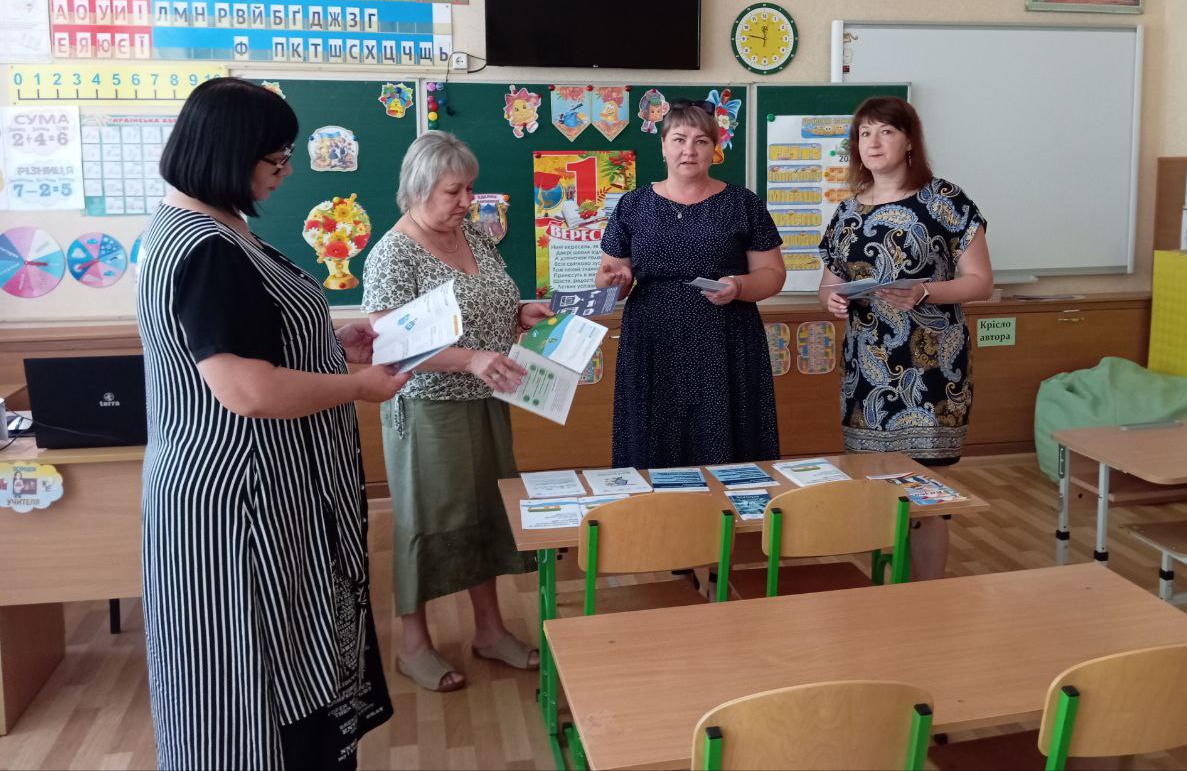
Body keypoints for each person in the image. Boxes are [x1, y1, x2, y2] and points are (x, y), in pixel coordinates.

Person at [137, 78, 408, 770]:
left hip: (259, 489)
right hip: (242, 502)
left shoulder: (206, 228)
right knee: (253, 674)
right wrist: (357, 386)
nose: (285, 172)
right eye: (276, 158)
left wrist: (329, 342)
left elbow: (251, 343)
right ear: (229, 153)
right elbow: (247, 389)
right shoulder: (206, 246)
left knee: (285, 656)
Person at [362, 131, 552, 694]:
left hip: (486, 397)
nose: (468, 201)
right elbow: (389, 345)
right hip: (427, 408)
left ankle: (489, 630)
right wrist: (470, 357)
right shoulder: (393, 254)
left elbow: (488, 303)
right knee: (427, 521)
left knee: (487, 513)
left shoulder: (472, 235)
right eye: (455, 191)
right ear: (419, 189)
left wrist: (520, 313)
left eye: (469, 188)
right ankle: (413, 644)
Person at [817, 97, 993, 581]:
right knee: (876, 486)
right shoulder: (848, 211)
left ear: (909, 139)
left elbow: (980, 282)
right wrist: (832, 301)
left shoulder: (946, 200)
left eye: (886, 132)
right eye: (864, 134)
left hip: (933, 368)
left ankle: (926, 593)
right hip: (866, 372)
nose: (872, 143)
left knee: (927, 491)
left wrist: (924, 291)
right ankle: (888, 591)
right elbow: (829, 284)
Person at [596, 100, 786, 469]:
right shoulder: (632, 205)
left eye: (701, 141)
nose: (689, 150)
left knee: (727, 440)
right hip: (653, 340)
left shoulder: (743, 203)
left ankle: (730, 504)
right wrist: (611, 282)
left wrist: (738, 286)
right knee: (653, 440)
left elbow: (773, 274)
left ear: (714, 149)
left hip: (725, 337)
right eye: (679, 139)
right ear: (663, 146)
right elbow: (610, 282)